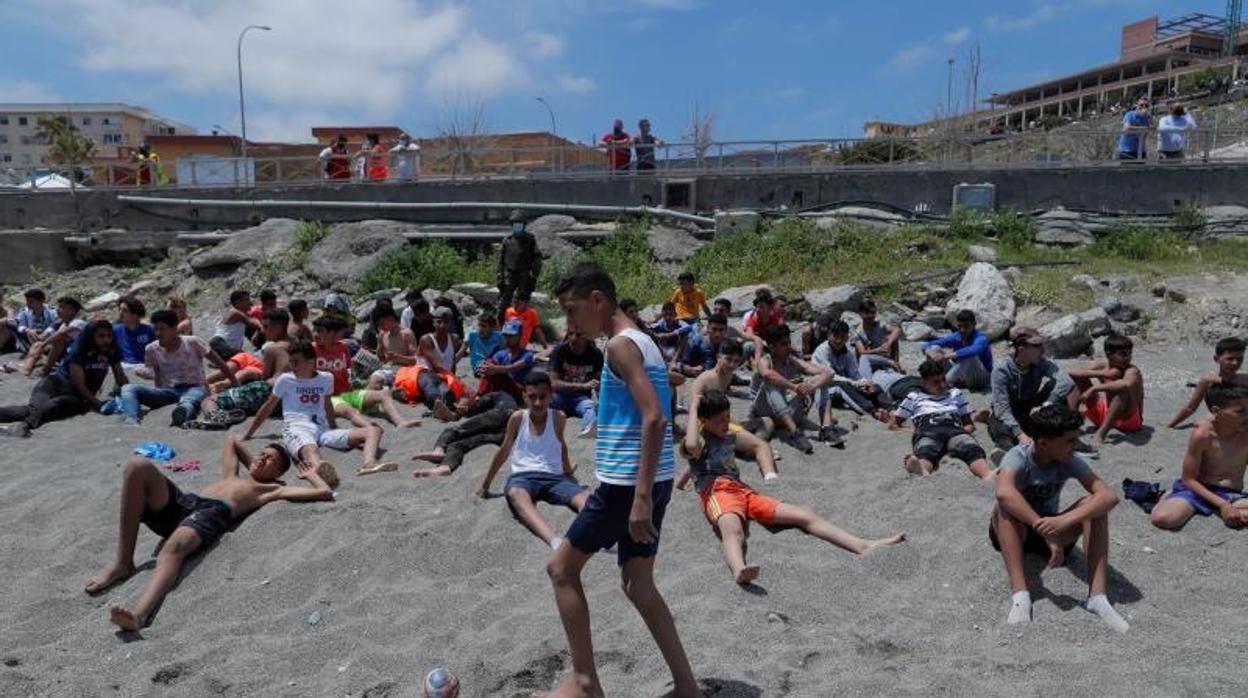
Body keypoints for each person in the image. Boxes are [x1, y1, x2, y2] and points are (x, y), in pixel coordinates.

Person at [544, 262, 699, 698]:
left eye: (572, 311)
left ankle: (585, 683)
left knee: (561, 570)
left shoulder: (618, 346)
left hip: (628, 485)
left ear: (597, 300)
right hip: (656, 476)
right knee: (637, 582)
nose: (570, 323)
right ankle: (687, 687)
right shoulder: (644, 341)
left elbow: (653, 418)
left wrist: (641, 498)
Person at [83, 434, 333, 630]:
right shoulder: (233, 474)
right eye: (261, 454)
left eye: (271, 461)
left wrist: (311, 475)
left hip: (212, 512)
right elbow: (232, 440)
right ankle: (123, 562)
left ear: (278, 473)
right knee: (137, 466)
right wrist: (257, 460)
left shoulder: (271, 489)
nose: (263, 458)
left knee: (172, 551)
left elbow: (324, 493)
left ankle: (139, 615)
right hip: (184, 503)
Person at [677, 390, 905, 584]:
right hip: (717, 492)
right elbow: (692, 446)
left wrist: (683, 480)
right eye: (720, 420)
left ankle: (862, 545)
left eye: (728, 417)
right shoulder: (700, 438)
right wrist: (694, 408)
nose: (726, 423)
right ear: (703, 421)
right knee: (732, 529)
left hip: (743, 490)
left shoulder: (728, 433)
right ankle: (739, 568)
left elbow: (755, 445)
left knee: (803, 514)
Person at [989, 404, 1127, 632]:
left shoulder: (1069, 460)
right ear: (1043, 443)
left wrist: (1062, 522)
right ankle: (1020, 594)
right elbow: (1004, 492)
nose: (1076, 446)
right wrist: (1042, 528)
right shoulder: (1019, 457)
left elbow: (1109, 496)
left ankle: (1097, 597)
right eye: (1070, 441)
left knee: (1094, 506)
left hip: (1052, 528)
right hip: (1017, 531)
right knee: (1005, 506)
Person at [477, 372, 590, 550]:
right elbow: (504, 450)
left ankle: (602, 537)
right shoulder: (517, 418)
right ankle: (553, 539)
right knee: (516, 494)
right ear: (524, 397)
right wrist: (485, 485)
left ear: (551, 396)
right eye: (532, 397)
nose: (538, 402)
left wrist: (567, 470)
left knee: (584, 499)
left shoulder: (558, 417)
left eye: (543, 397)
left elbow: (560, 444)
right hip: (523, 476)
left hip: (555, 476)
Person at [244, 340, 384, 475]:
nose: (292, 366)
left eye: (296, 362)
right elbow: (268, 406)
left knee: (374, 430)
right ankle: (321, 470)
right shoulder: (285, 380)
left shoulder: (326, 378)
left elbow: (327, 403)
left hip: (321, 430)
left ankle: (370, 463)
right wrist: (248, 433)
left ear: (311, 362)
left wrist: (333, 425)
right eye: (291, 361)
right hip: (296, 428)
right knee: (310, 450)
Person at [0, 320, 126, 437]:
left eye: (109, 336)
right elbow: (79, 384)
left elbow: (120, 377)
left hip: (75, 397)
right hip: (54, 384)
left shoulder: (111, 351)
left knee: (51, 406)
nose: (106, 340)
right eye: (101, 336)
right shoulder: (79, 351)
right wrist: (98, 404)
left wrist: (127, 395)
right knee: (35, 409)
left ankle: (25, 425)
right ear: (92, 337)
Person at [1151, 383, 1248, 530]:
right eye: (1240, 411)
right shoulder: (1203, 435)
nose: (1247, 416)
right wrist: (1222, 505)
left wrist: (1227, 504)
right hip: (1198, 490)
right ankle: (1167, 496)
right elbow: (1188, 479)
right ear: (1216, 411)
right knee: (1163, 519)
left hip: (1231, 494)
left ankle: (1230, 510)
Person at [119, 310, 236, 426]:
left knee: (189, 400)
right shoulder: (151, 349)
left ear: (174, 328)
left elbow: (220, 363)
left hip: (196, 387)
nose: (158, 333)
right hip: (170, 391)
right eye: (155, 329)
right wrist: (158, 393)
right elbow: (157, 373)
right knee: (128, 389)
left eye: (162, 328)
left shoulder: (192, 342)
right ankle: (131, 419)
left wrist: (234, 383)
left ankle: (182, 414)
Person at [888, 359, 992, 480]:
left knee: (970, 448)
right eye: (936, 382)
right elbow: (894, 425)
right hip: (928, 430)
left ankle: (987, 474)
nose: (942, 385)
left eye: (943, 380)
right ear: (924, 382)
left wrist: (964, 432)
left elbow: (968, 423)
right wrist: (912, 431)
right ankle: (922, 469)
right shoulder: (914, 397)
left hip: (954, 429)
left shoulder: (955, 394)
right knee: (925, 449)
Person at [986, 328, 1075, 454]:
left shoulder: (1040, 363)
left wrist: (1047, 403)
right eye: (1037, 346)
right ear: (1021, 349)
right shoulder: (1002, 370)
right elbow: (1002, 407)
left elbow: (1066, 381)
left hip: (1031, 407)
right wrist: (1020, 434)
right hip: (1010, 409)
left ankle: (1064, 438)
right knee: (999, 422)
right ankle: (1006, 449)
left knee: (1054, 387)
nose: (1042, 350)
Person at [751, 324, 833, 453]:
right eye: (783, 344)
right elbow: (767, 374)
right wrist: (794, 387)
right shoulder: (764, 361)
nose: (788, 347)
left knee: (820, 381)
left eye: (788, 342)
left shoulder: (792, 360)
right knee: (771, 382)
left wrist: (812, 386)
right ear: (772, 347)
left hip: (784, 413)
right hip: (763, 412)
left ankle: (826, 429)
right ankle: (795, 433)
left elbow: (828, 373)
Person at [411, 391, 521, 477]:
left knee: (454, 431)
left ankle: (438, 450)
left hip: (502, 414)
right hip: (509, 435)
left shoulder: (498, 395)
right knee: (459, 444)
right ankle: (446, 467)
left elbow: (473, 408)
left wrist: (465, 409)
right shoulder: (508, 401)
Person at [1069, 334, 1145, 448]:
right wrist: (1102, 373)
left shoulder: (1132, 370)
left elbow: (1126, 384)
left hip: (1129, 420)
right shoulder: (1102, 367)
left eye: (1130, 353)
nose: (1128, 357)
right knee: (1079, 381)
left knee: (1122, 392)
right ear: (1109, 354)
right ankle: (1071, 426)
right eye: (1123, 354)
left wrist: (1095, 388)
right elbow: (1071, 372)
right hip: (1105, 414)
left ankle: (1101, 434)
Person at [812, 320, 883, 423]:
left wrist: (864, 383)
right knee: (842, 387)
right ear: (828, 335)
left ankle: (889, 408)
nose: (839, 340)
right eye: (836, 336)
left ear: (847, 338)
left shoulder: (848, 354)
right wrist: (855, 383)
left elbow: (855, 375)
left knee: (873, 386)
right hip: (824, 389)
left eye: (843, 337)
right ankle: (872, 412)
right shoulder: (822, 351)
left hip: (847, 385)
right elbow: (831, 376)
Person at [1168, 337, 1247, 428]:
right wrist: (1171, 425)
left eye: (1240, 359)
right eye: (1230, 359)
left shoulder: (1245, 379)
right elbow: (1190, 408)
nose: (1235, 363)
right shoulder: (1208, 381)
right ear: (1216, 359)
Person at [549, 320, 603, 438]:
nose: (573, 338)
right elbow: (553, 383)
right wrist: (582, 386)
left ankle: (588, 428)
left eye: (578, 335)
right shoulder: (559, 352)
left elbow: (598, 382)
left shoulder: (595, 354)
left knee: (591, 408)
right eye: (571, 334)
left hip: (581, 399)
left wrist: (597, 386)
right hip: (559, 396)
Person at [921, 309, 992, 391]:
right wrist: (930, 353)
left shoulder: (981, 337)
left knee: (969, 356)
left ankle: (945, 383)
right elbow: (928, 344)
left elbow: (974, 350)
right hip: (961, 376)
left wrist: (946, 356)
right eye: (959, 326)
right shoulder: (957, 336)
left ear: (974, 325)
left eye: (966, 326)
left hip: (980, 378)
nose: (962, 330)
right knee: (934, 348)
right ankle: (933, 379)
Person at [15, 295, 85, 377]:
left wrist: (44, 344)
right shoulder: (61, 323)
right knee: (38, 344)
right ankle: (26, 368)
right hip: (64, 353)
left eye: (62, 307)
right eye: (58, 307)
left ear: (72, 310)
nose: (58, 310)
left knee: (58, 341)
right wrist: (33, 334)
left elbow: (61, 334)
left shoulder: (78, 322)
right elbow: (44, 335)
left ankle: (45, 370)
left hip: (78, 356)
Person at [476, 319, 536, 403]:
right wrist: (485, 368)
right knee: (490, 363)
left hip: (519, 391)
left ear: (519, 336)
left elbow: (514, 367)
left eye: (511, 336)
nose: (507, 339)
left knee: (496, 369)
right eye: (506, 336)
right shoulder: (501, 354)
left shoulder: (527, 355)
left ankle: (479, 396)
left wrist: (495, 369)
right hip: (502, 390)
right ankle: (479, 396)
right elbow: (488, 367)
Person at [497, 210, 541, 321]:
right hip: (509, 273)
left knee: (522, 299)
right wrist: (500, 277)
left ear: (524, 225)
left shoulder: (530, 240)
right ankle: (500, 322)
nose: (517, 226)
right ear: (511, 225)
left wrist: (534, 275)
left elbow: (537, 258)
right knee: (504, 300)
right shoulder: (507, 240)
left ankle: (523, 322)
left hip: (524, 273)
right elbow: (501, 261)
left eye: (520, 224)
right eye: (515, 224)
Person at [854, 299, 902, 376]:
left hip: (883, 356)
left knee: (893, 338)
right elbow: (862, 352)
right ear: (860, 313)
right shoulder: (857, 332)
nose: (870, 316)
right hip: (869, 360)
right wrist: (879, 350)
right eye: (867, 313)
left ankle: (896, 363)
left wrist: (888, 344)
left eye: (873, 313)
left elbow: (897, 329)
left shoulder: (880, 325)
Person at [210, 290, 262, 360]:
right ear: (237, 303)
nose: (250, 303)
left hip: (223, 345)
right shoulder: (235, 313)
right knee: (246, 360)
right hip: (220, 343)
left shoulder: (239, 316)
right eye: (247, 300)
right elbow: (255, 324)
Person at [676, 313, 728, 379]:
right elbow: (682, 362)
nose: (717, 334)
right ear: (708, 328)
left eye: (721, 330)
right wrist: (689, 369)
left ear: (726, 330)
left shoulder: (728, 345)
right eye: (714, 329)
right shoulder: (696, 342)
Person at [12, 287, 58, 356]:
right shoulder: (25, 312)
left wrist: (46, 332)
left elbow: (57, 324)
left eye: (31, 302)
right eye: (27, 302)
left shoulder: (52, 312)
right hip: (31, 339)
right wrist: (28, 330)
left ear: (41, 301)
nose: (28, 304)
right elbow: (20, 326)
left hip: (47, 339)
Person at [458, 311, 502, 376]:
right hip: (478, 370)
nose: (480, 329)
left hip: (493, 369)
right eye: (479, 325)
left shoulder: (499, 337)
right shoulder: (472, 336)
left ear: (492, 328)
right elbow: (460, 354)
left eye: (484, 326)